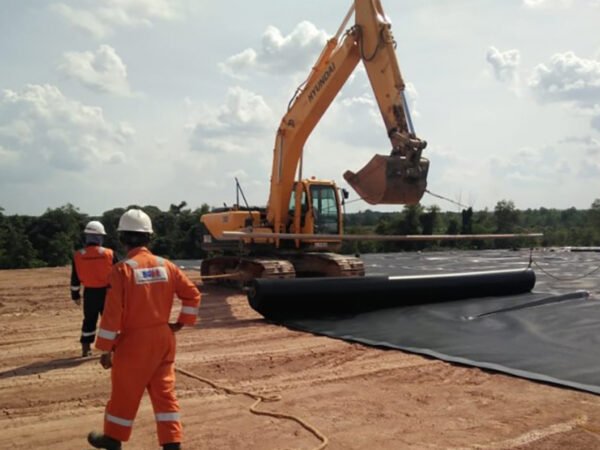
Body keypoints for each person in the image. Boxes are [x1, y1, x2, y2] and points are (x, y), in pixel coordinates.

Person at [87, 209, 201, 450]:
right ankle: (172, 443)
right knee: (164, 393)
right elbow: (192, 295)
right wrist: (180, 323)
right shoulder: (167, 266)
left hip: (133, 342)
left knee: (124, 393)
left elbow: (111, 315)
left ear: (122, 238)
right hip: (163, 339)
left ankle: (113, 439)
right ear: (149, 237)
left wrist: (105, 349)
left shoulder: (122, 270)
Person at [71, 220, 116, 357]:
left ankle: (86, 348)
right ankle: (111, 347)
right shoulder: (109, 253)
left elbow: (75, 277)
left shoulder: (78, 255)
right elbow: (119, 274)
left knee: (89, 319)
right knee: (109, 321)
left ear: (87, 237)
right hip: (107, 292)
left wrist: (75, 294)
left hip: (89, 293)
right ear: (99, 237)